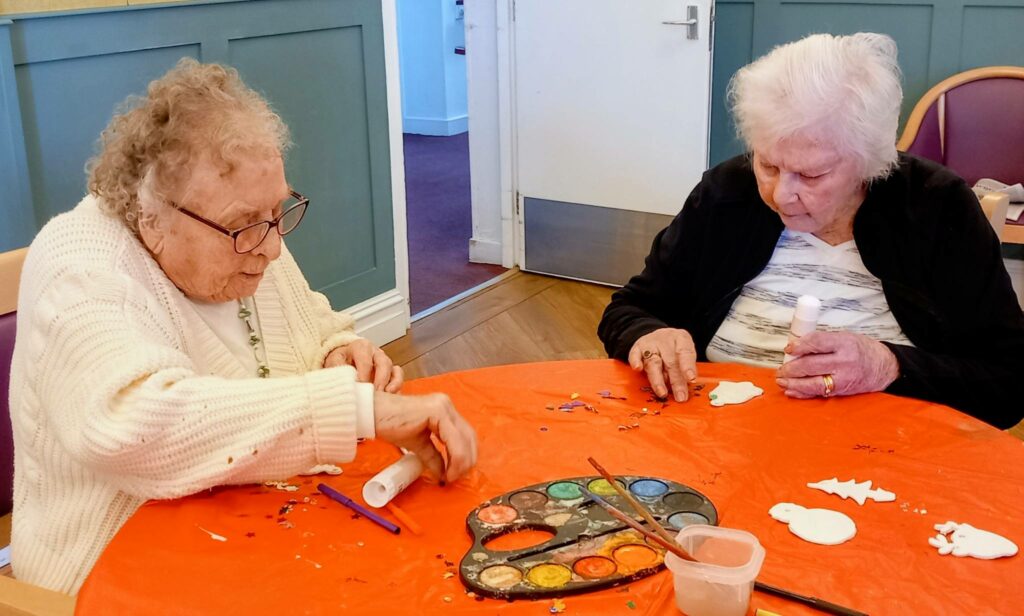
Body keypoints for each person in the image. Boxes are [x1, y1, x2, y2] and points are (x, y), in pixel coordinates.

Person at [9, 59, 477, 594]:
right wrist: (361, 410)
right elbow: (133, 426)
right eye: (243, 226)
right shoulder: (80, 264)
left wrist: (337, 349)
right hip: (111, 574)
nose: (274, 247)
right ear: (152, 217)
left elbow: (308, 320)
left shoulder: (247, 234)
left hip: (252, 527)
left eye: (277, 213)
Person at [598, 32, 1024, 429]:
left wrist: (890, 365)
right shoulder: (728, 192)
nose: (781, 195)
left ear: (867, 163)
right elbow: (630, 308)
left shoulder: (936, 205)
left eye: (812, 174)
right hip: (717, 437)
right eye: (768, 165)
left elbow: (1008, 383)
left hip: (885, 453)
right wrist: (648, 334)